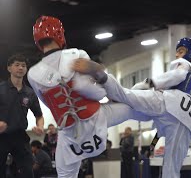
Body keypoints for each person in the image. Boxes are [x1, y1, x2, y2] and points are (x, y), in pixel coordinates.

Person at [28, 16, 150, 178]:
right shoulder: (77, 54)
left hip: (69, 135)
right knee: (132, 107)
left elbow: (49, 104)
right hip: (95, 119)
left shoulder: (33, 74)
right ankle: (162, 110)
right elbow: (97, 92)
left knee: (65, 175)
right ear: (59, 34)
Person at [72, 37, 191, 178]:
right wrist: (150, 148)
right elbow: (161, 132)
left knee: (128, 99)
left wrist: (150, 83)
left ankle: (101, 80)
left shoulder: (185, 65)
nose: (177, 55)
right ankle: (101, 110)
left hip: (167, 102)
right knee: (171, 170)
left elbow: (177, 75)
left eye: (181, 51)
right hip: (186, 124)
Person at [0, 53, 45, 178]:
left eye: (23, 66)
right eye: (17, 65)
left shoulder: (29, 93)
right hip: (1, 137)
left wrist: (40, 126)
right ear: (9, 68)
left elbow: (39, 116)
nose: (21, 68)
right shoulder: (1, 89)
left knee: (27, 171)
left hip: (20, 137)